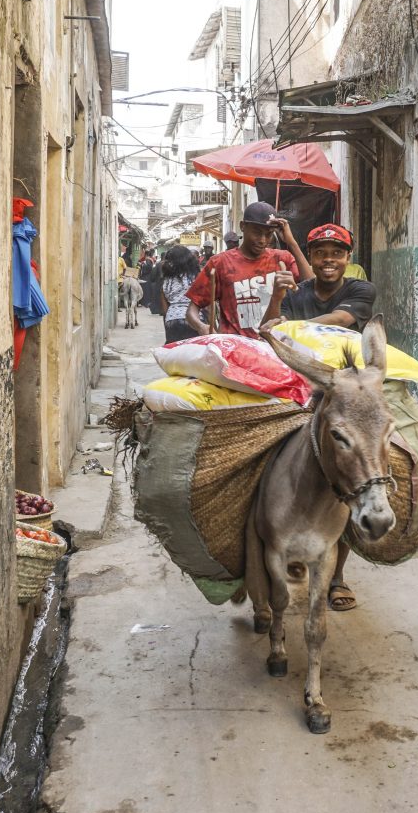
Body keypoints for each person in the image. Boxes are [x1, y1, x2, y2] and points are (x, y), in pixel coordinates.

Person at [262, 223, 377, 613]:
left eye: (337, 253)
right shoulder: (297, 293)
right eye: (321, 253)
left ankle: (339, 575)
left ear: (348, 258)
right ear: (311, 257)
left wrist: (294, 327)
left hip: (349, 394)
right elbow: (271, 330)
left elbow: (344, 320)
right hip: (298, 388)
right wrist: (278, 298)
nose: (329, 260)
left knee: (360, 473)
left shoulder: (360, 289)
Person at [184, 202, 311, 338]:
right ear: (242, 227)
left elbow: (311, 285)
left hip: (274, 347)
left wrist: (291, 242)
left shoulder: (282, 259)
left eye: (268, 234)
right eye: (257, 233)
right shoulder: (220, 263)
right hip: (236, 349)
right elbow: (192, 309)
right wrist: (201, 326)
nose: (262, 240)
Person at [160, 246, 202, 341]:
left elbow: (165, 310)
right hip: (196, 320)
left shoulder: (167, 281)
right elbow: (207, 306)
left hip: (172, 321)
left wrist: (168, 329)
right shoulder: (197, 277)